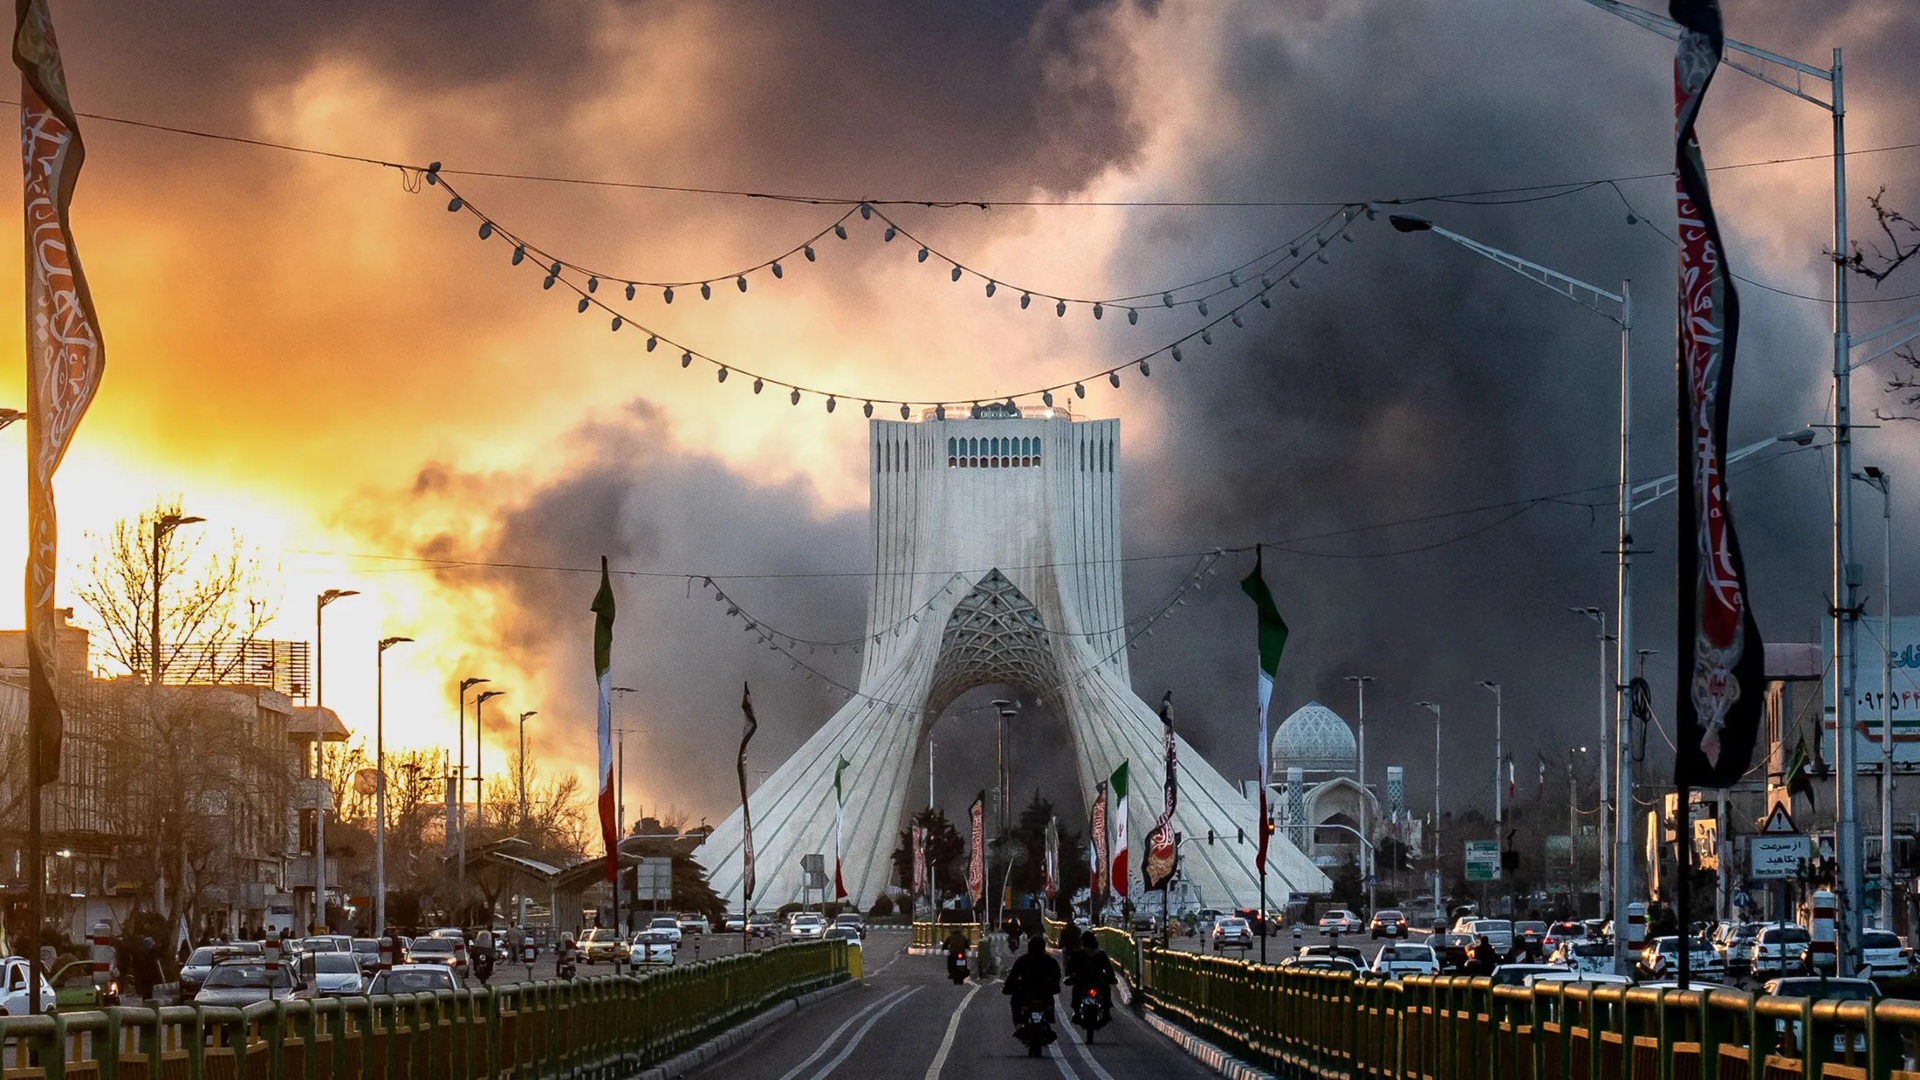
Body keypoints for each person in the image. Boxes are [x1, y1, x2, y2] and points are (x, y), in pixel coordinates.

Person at [1002, 935, 1061, 1030]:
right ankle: (1049, 1018)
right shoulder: (1050, 961)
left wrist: (1007, 988)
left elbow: (1013, 977)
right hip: (1044, 992)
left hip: (1026, 992)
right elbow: (1056, 977)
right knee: (1050, 1002)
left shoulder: (1022, 960)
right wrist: (1054, 987)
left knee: (1015, 1002)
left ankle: (1019, 1023)